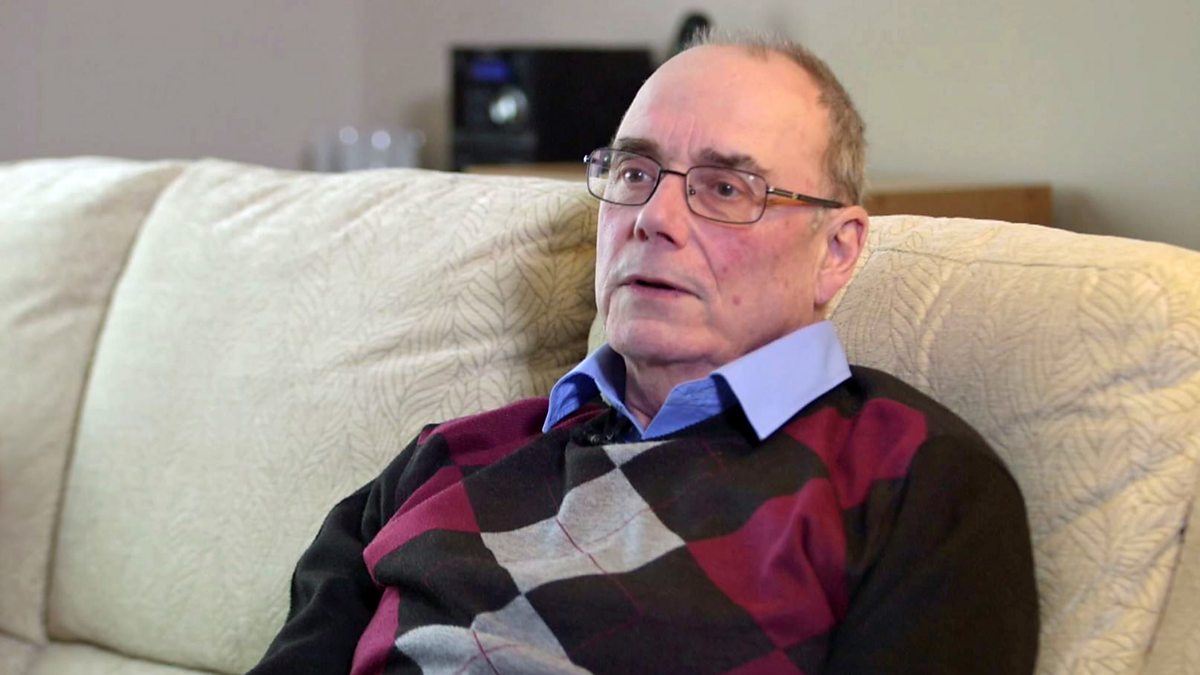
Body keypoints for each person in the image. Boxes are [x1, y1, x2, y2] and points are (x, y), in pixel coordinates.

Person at [251, 31, 1038, 675]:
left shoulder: (914, 479)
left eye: (725, 188)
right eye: (634, 172)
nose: (653, 217)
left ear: (836, 251)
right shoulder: (443, 459)